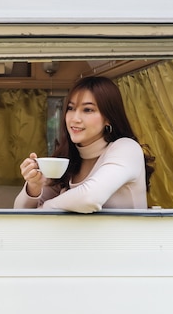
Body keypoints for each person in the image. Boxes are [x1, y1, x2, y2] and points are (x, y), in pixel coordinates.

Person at [14, 76, 154, 213]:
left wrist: (44, 209)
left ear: (109, 118)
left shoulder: (127, 148)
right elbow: (19, 213)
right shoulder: (68, 158)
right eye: (71, 108)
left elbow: (89, 198)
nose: (75, 118)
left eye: (88, 110)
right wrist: (33, 186)